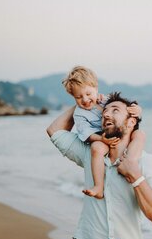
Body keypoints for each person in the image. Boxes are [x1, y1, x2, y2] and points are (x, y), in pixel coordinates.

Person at [46, 92, 152, 239]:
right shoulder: (90, 154)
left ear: (131, 122)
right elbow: (54, 130)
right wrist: (84, 101)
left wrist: (136, 177)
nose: (107, 115)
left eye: (115, 110)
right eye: (104, 112)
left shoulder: (147, 162)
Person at [62, 66, 144, 199]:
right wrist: (102, 140)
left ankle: (130, 161)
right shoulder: (79, 114)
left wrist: (138, 110)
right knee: (96, 148)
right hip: (101, 137)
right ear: (73, 97)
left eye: (88, 94)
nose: (84, 99)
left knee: (140, 134)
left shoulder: (106, 100)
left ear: (96, 88)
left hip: (119, 134)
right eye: (78, 97)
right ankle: (99, 187)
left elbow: (126, 109)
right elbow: (86, 134)